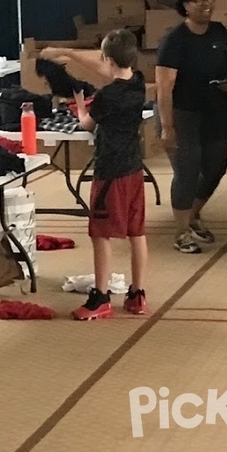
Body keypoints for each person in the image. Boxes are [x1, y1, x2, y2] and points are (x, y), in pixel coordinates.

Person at [155, 0, 227, 254]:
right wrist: (167, 127)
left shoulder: (219, 32)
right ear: (185, 6)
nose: (206, 4)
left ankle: (193, 214)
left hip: (214, 109)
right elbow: (164, 87)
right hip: (183, 113)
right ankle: (181, 233)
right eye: (199, 0)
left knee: (216, 166)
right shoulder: (174, 41)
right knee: (187, 171)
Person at [68, 29, 149, 321]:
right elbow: (111, 70)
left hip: (110, 171)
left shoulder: (106, 96)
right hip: (134, 168)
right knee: (136, 231)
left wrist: (79, 105)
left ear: (106, 58)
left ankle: (101, 297)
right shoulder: (139, 84)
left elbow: (88, 125)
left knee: (100, 234)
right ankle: (137, 294)